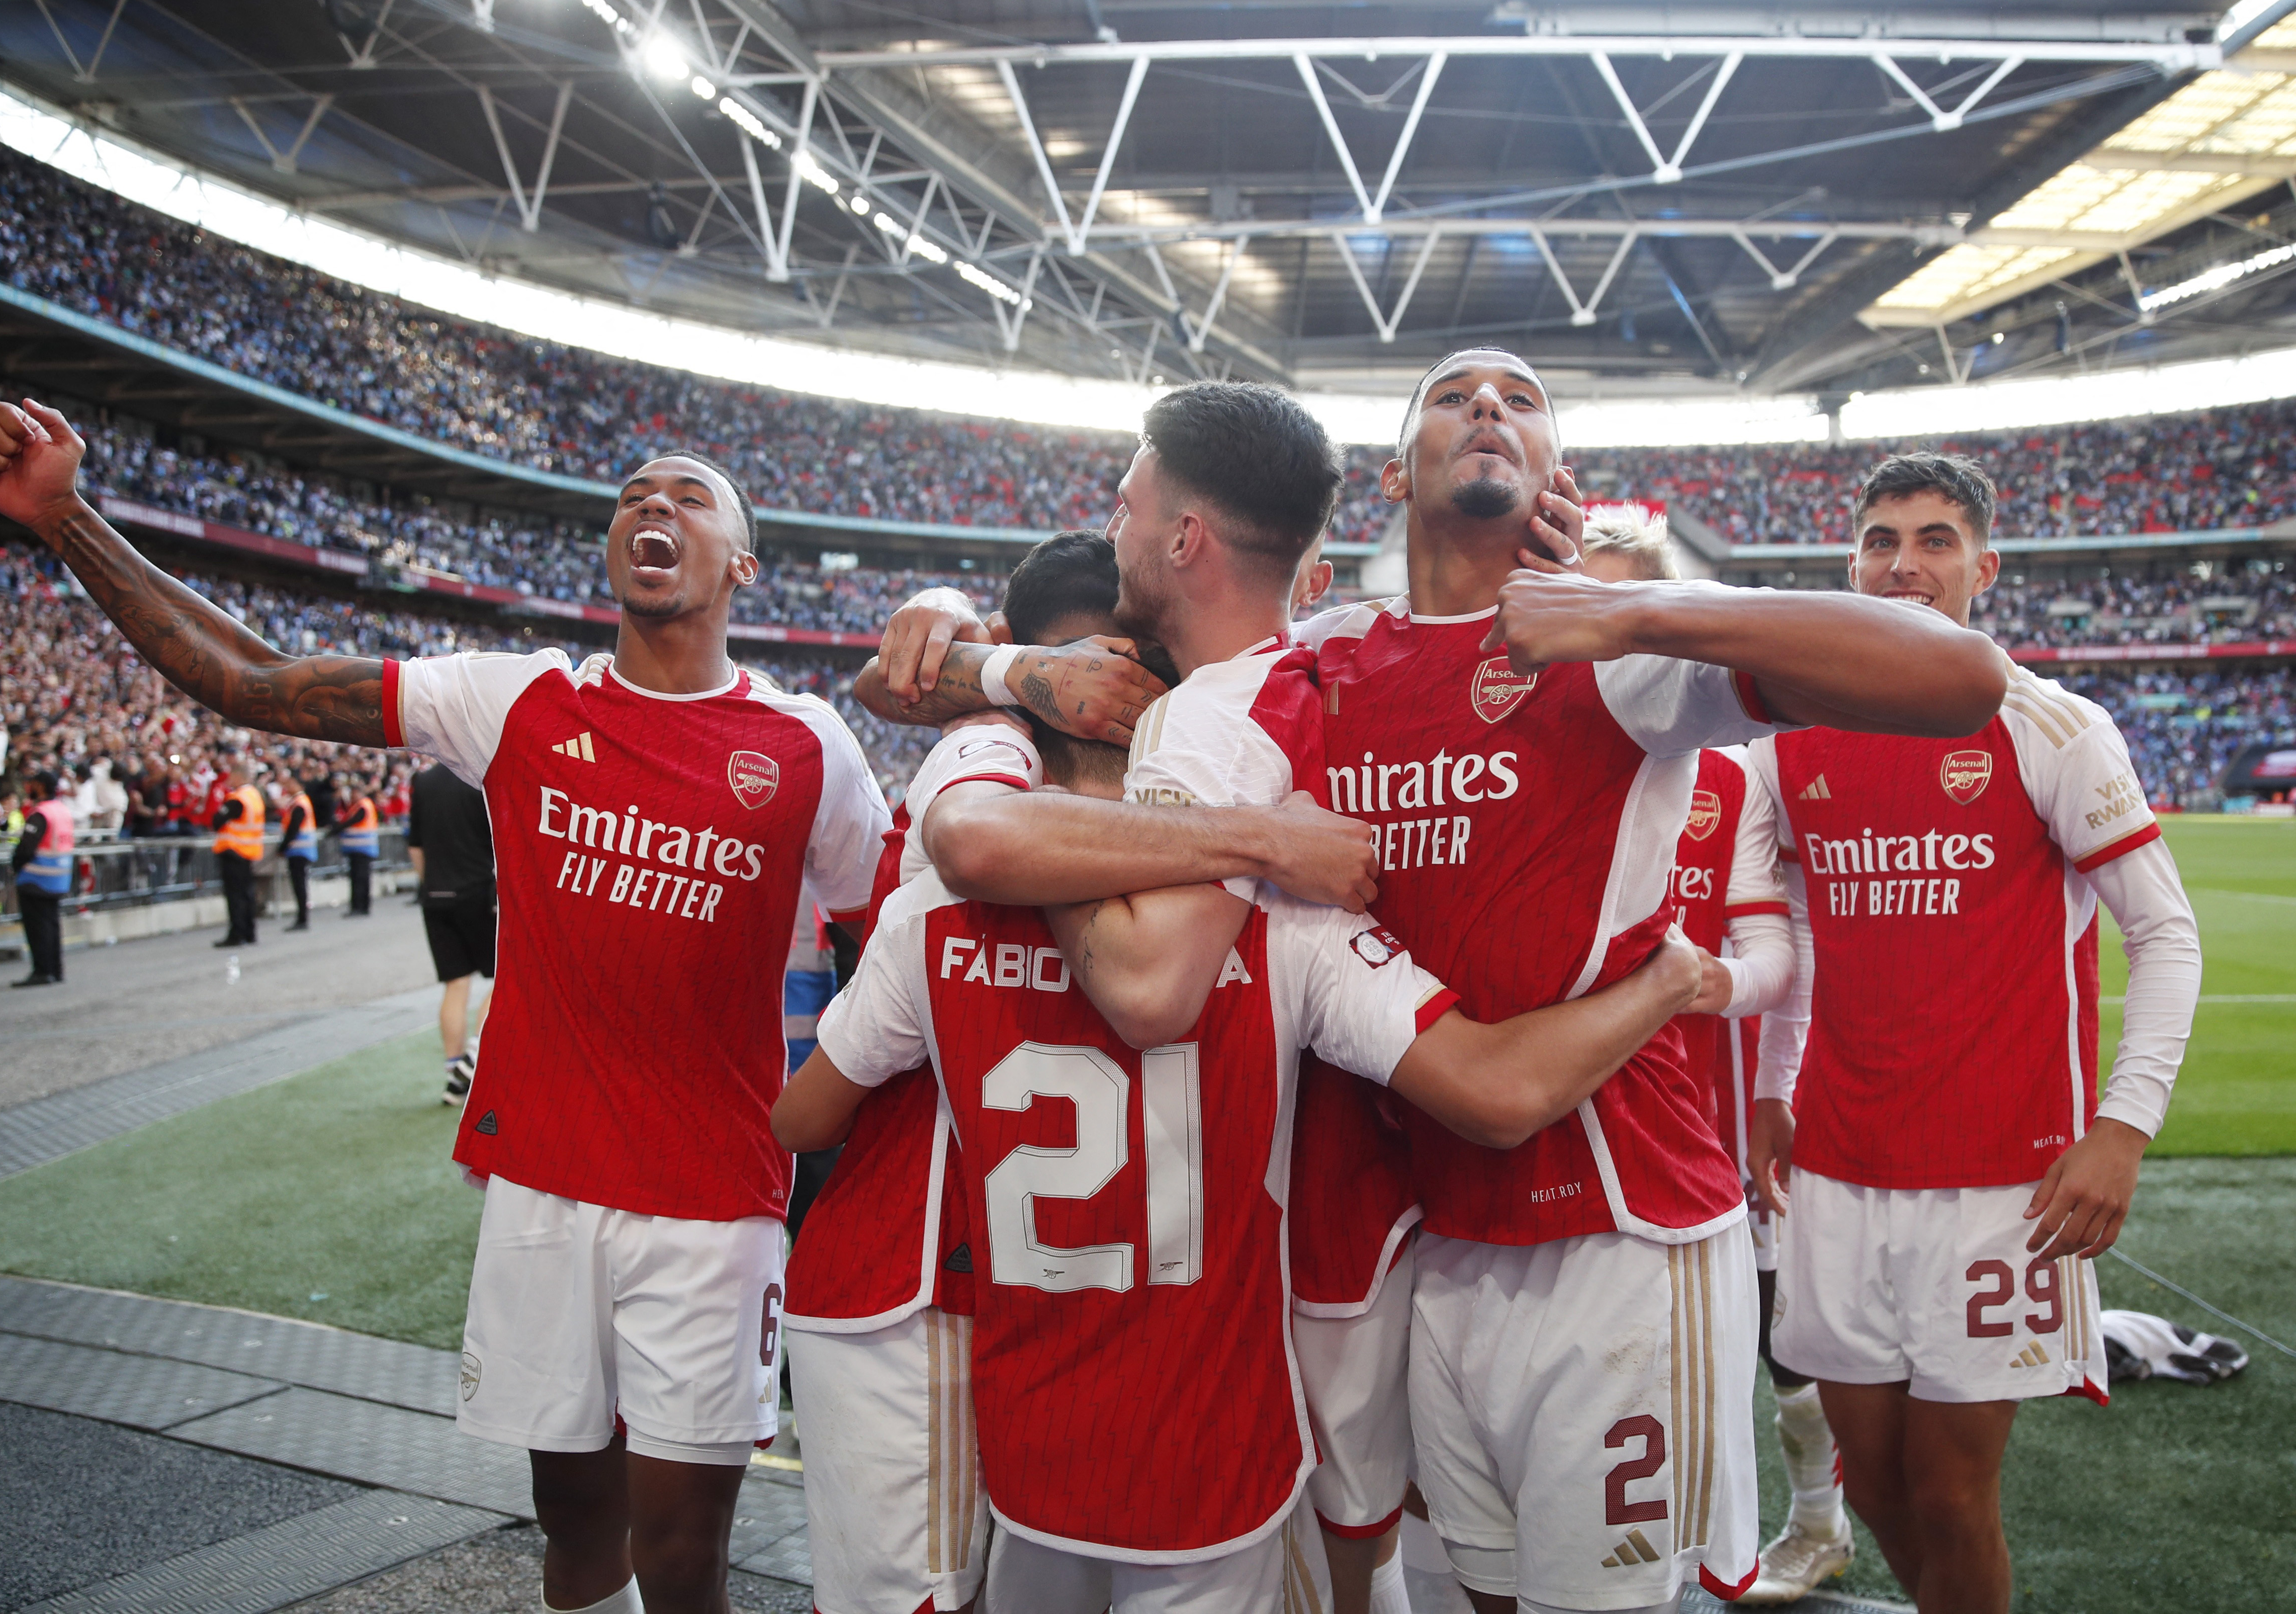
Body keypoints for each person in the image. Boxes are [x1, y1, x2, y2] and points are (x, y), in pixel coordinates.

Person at [863, 348, 2007, 1614]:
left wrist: (1637, 607)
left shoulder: (1610, 656)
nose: (1486, 408)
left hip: (1616, 1230)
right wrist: (965, 651)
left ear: (1553, 474)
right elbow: (1143, 648)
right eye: (1453, 397)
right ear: (1393, 479)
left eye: (1520, 400)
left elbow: (1959, 681)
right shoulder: (1326, 664)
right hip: (1444, 1240)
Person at [0, 395, 941, 1614]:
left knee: (686, 1556)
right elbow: (254, 680)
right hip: (541, 1187)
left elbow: (887, 934)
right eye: (636, 492)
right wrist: (64, 517)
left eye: (690, 497)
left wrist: (832, 1118)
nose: (654, 505)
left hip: (714, 1205)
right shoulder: (517, 699)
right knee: (574, 1532)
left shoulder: (805, 747)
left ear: (739, 563)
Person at [774, 706, 1705, 1614]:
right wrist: (1672, 975)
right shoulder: (1281, 924)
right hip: (1214, 1439)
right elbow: (1495, 1090)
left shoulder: (930, 916)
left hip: (1032, 1435)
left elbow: (802, 1116)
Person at [783, 527, 1378, 1614]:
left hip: (1041, 1302)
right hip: (951, 1292)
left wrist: (990, 671)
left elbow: (802, 1111)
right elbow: (903, 693)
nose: (1108, 699)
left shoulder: (975, 817)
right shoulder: (1228, 865)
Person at [1746, 453, 2202, 1614]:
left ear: (1982, 568)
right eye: (1881, 540)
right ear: (1848, 563)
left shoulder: (2049, 724)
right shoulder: (1785, 738)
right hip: (1835, 1171)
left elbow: (2166, 934)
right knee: (1876, 1479)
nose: (1903, 564)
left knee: (1952, 1494)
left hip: (1999, 1177)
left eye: (1934, 539)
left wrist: (2119, 1132)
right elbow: (1790, 931)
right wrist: (1769, 1086)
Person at [1581, 509, 1836, 1602]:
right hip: (1558, 1130)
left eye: (1632, 615)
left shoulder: (1727, 780)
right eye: (1588, 612)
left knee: (1763, 1348)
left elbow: (1779, 953)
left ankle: (1805, 1523)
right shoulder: (1515, 760)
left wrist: (1704, 984)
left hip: (1707, 1136)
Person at [407, 758, 496, 1107]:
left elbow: (416, 846)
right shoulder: (480, 777)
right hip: (479, 893)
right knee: (505, 976)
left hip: (436, 894)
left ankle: (453, 1070)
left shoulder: (424, 781)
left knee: (455, 985)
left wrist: (430, 883)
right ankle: (474, 1059)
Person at [11, 769, 77, 988]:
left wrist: (17, 866)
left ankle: (42, 970)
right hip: (58, 878)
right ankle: (55, 969)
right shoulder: (62, 810)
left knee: (38, 929)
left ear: (39, 786)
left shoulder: (41, 813)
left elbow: (26, 847)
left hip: (36, 878)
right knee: (52, 926)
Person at [209, 757, 266, 948]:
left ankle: (237, 934)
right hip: (249, 851)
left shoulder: (238, 798)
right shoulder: (255, 796)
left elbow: (217, 820)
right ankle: (249, 932)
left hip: (234, 851)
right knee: (247, 894)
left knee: (236, 897)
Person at [278, 770, 319, 932]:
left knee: (299, 886)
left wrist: (283, 847)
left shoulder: (299, 803)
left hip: (299, 851)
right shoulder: (299, 802)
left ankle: (302, 919)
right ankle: (302, 918)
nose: (287, 786)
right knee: (300, 885)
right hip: (301, 850)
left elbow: (293, 828)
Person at [336, 778, 380, 916]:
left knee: (361, 879)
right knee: (358, 879)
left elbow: (352, 821)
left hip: (363, 849)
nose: (352, 796)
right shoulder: (357, 806)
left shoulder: (364, 805)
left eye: (354, 793)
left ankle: (361, 907)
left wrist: (336, 829)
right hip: (357, 849)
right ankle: (359, 906)